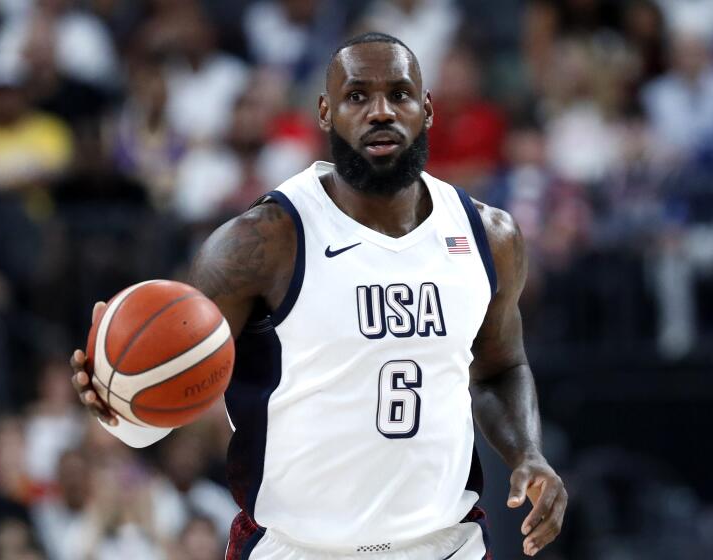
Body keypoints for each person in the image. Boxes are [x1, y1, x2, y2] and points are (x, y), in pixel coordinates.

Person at [70, 32, 567, 559]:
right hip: (299, 548)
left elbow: (500, 368)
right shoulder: (262, 240)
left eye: (399, 94)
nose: (380, 111)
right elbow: (171, 386)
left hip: (445, 544)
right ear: (326, 112)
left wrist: (527, 454)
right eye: (357, 96)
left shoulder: (489, 235)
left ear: (426, 108)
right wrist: (117, 399)